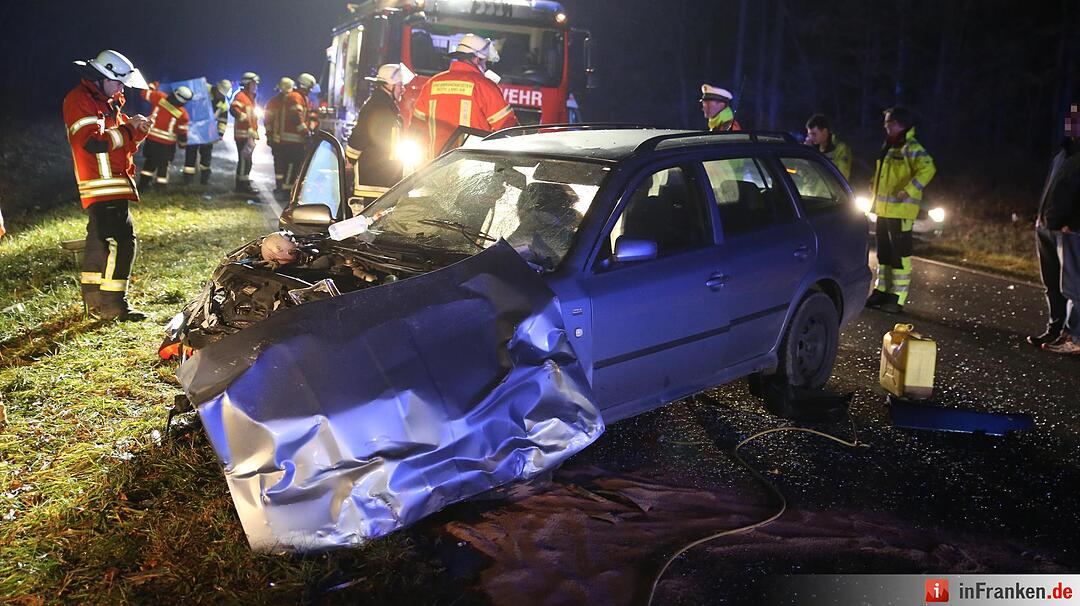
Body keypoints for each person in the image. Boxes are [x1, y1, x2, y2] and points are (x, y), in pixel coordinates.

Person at [64, 49, 152, 321]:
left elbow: (118, 144)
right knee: (122, 242)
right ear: (102, 77)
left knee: (98, 240)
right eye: (118, 82)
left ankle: (95, 302)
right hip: (102, 183)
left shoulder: (106, 101)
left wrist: (136, 133)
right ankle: (114, 307)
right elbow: (92, 142)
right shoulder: (80, 101)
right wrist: (128, 130)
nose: (122, 87)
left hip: (113, 180)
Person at [865, 107, 936, 314]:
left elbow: (928, 168)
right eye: (886, 123)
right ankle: (882, 290)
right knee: (884, 254)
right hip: (884, 210)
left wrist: (910, 189)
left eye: (890, 123)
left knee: (900, 256)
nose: (886, 126)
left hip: (901, 212)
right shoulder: (890, 145)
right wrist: (873, 184)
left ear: (901, 125)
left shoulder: (910, 146)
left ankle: (897, 297)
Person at [411, 33, 518, 158]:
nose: (485, 66)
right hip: (471, 168)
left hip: (435, 166)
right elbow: (507, 128)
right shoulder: (484, 86)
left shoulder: (432, 83)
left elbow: (416, 126)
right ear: (477, 59)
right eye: (485, 62)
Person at [1029, 103, 1080, 355]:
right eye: (1070, 116)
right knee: (1052, 283)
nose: (1072, 121)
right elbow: (1052, 189)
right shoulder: (1063, 153)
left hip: (1070, 231)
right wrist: (1040, 218)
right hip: (1047, 228)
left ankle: (1074, 336)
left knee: (1073, 286)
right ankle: (1055, 329)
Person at [346, 63, 412, 213]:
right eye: (400, 85)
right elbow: (359, 137)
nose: (403, 89)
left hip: (384, 176)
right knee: (371, 218)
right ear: (389, 85)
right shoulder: (377, 106)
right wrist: (349, 160)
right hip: (374, 179)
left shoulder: (386, 105)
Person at [138, 84, 192, 188]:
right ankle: (160, 187)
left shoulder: (159, 98)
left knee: (149, 162)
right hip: (167, 144)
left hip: (151, 139)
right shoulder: (182, 114)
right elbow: (182, 132)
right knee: (164, 165)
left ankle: (143, 184)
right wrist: (183, 144)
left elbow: (144, 93)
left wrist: (153, 85)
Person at [183, 79, 231, 185]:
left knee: (206, 156)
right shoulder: (204, 88)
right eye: (219, 93)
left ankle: (205, 179)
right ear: (217, 88)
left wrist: (220, 134)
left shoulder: (223, 103)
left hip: (208, 132)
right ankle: (188, 179)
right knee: (191, 153)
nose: (220, 96)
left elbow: (223, 120)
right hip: (194, 128)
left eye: (222, 94)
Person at [264, 77, 295, 191]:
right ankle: (283, 187)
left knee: (280, 165)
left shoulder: (273, 102)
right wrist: (269, 135)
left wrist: (269, 135)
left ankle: (280, 187)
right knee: (285, 164)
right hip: (284, 141)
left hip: (278, 140)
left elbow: (267, 121)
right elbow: (268, 121)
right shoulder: (291, 101)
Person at [231, 72, 260, 194]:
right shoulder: (241, 96)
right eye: (253, 84)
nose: (255, 86)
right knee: (244, 160)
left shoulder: (250, 98)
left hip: (248, 135)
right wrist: (241, 116)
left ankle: (244, 183)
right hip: (242, 135)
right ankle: (241, 186)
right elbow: (233, 108)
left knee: (247, 160)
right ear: (247, 84)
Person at [805, 114, 852, 180]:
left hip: (828, 190)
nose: (811, 138)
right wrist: (807, 153)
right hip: (809, 190)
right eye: (809, 134)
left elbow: (842, 176)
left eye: (814, 134)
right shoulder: (813, 149)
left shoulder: (840, 149)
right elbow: (802, 172)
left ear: (824, 131)